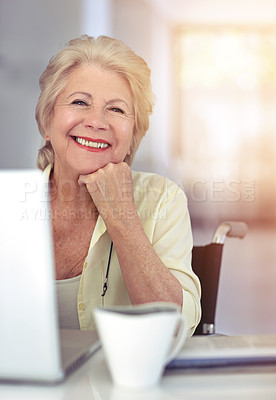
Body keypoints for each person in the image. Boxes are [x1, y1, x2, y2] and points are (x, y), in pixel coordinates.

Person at [35, 35, 201, 334]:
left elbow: (174, 329)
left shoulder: (163, 198)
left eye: (116, 109)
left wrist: (121, 215)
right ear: (48, 123)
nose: (96, 122)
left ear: (131, 138)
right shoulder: (7, 202)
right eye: (79, 102)